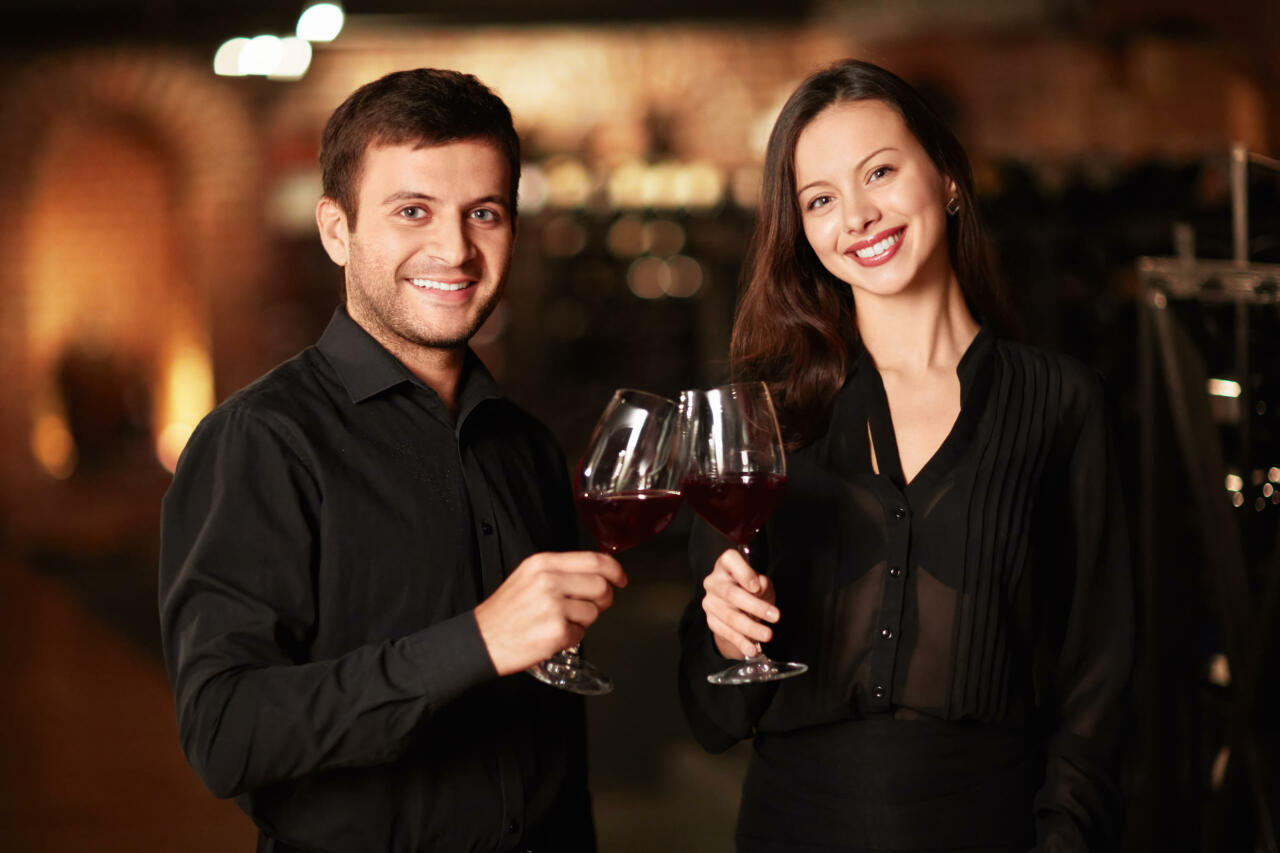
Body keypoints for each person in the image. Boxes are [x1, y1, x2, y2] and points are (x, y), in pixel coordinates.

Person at [159, 68, 626, 852]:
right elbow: (225, 734)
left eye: (484, 213)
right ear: (336, 230)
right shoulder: (259, 441)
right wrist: (475, 641)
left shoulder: (526, 444)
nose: (455, 248)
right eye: (413, 210)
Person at [678, 59, 1132, 852]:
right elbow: (711, 712)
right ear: (801, 230)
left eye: (879, 172)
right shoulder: (763, 415)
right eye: (821, 200)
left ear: (947, 176)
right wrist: (725, 639)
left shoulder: (1062, 402)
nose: (857, 216)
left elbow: (1100, 677)